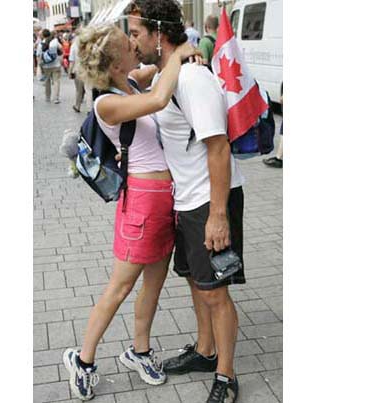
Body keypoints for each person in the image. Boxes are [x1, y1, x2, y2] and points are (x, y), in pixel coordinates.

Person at [61, 23, 200, 401]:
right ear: (113, 60)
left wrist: (178, 54)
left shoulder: (131, 82)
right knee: (120, 286)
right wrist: (185, 48)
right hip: (140, 200)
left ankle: (139, 351)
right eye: (128, 44)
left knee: (153, 284)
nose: (135, 46)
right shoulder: (106, 102)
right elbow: (158, 99)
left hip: (166, 197)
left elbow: (157, 69)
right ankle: (84, 359)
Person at [127, 1, 246, 402]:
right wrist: (174, 55)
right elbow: (134, 75)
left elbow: (218, 147)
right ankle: (205, 351)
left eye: (136, 33)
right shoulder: (169, 74)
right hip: (186, 198)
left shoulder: (192, 79)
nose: (132, 41)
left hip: (209, 199)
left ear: (158, 33)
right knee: (197, 281)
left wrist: (217, 215)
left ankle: (226, 377)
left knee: (216, 291)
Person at [40, 29, 63, 104]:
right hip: (56, 64)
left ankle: (47, 97)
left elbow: (40, 55)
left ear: (43, 35)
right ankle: (56, 98)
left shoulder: (42, 42)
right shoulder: (55, 41)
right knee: (56, 81)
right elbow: (61, 49)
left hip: (46, 65)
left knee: (47, 81)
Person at [68, 33, 85, 113]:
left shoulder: (74, 46)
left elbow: (72, 61)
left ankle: (77, 106)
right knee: (89, 90)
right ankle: (90, 108)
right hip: (89, 69)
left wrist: (70, 71)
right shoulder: (88, 44)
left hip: (78, 70)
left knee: (79, 89)